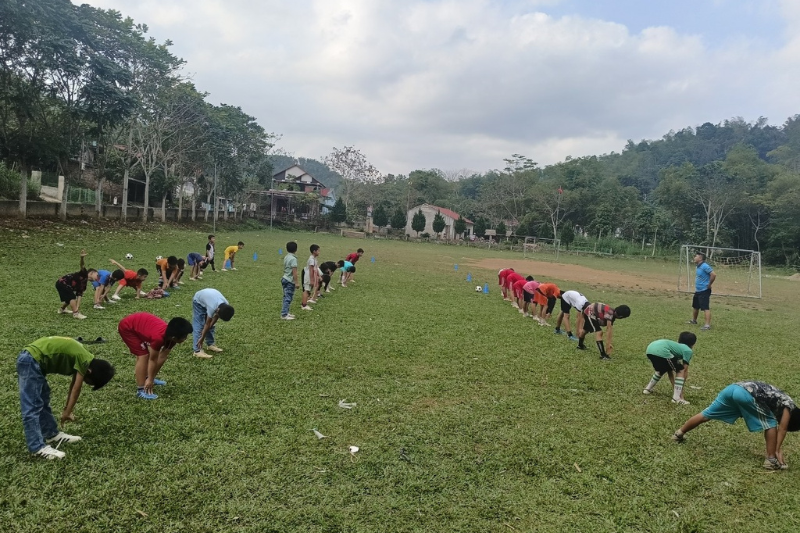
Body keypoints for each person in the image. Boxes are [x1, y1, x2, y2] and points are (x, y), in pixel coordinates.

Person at [16, 336, 115, 460]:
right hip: (30, 360)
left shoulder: (84, 357)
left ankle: (51, 434)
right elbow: (76, 388)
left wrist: (67, 410)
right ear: (89, 371)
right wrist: (67, 412)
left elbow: (73, 385)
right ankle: (37, 448)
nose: (84, 382)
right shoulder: (84, 360)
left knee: (43, 400)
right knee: (32, 406)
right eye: (88, 381)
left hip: (33, 361)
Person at [672, 381, 800, 470]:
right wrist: (777, 450)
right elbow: (782, 428)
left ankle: (679, 434)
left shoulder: (780, 401)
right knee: (770, 423)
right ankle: (771, 460)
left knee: (707, 414)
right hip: (746, 394)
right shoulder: (789, 405)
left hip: (732, 388)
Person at [118, 312, 193, 399]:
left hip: (141, 326)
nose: (185, 339)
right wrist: (149, 380)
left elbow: (162, 356)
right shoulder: (158, 338)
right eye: (184, 337)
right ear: (174, 337)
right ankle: (141, 390)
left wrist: (151, 378)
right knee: (143, 355)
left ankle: (147, 378)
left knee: (149, 357)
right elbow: (153, 359)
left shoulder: (171, 338)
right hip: (128, 327)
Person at [642, 332, 697, 405]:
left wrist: (676, 386)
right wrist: (680, 391)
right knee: (680, 370)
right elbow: (684, 370)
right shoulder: (688, 350)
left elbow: (669, 370)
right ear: (693, 344)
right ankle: (677, 399)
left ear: (678, 340)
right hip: (662, 351)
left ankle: (647, 389)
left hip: (650, 349)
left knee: (662, 370)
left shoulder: (675, 347)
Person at [192, 288, 235, 359]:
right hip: (198, 300)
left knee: (211, 325)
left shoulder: (226, 306)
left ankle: (210, 344)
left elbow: (214, 319)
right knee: (199, 324)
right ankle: (197, 351)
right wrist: (202, 338)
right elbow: (207, 324)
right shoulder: (212, 307)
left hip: (209, 297)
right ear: (217, 310)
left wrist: (209, 327)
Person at [55, 249, 98, 320]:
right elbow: (82, 265)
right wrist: (82, 258)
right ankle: (75, 314)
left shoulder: (84, 284)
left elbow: (79, 296)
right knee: (71, 297)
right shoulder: (84, 274)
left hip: (64, 285)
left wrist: (77, 307)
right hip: (62, 283)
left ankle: (62, 309)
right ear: (91, 273)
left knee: (70, 297)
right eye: (97, 275)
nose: (98, 278)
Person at [688, 252, 715, 330]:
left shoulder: (705, 266)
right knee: (695, 306)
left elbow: (713, 274)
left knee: (705, 308)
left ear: (700, 258)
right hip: (698, 290)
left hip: (704, 290)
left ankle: (707, 325)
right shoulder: (698, 266)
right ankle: (694, 320)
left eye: (696, 256)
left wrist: (709, 284)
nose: (694, 257)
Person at [281, 241, 299, 320]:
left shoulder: (286, 257)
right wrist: (296, 283)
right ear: (296, 249)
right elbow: (294, 272)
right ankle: (284, 314)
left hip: (284, 278)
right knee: (288, 297)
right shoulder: (293, 259)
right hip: (289, 281)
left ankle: (286, 312)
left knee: (286, 296)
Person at [301, 244, 321, 311]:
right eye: (318, 250)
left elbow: (316, 268)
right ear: (314, 251)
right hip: (308, 276)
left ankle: (305, 303)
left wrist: (318, 276)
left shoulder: (314, 259)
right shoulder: (311, 259)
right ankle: (304, 305)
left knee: (308, 290)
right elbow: (311, 270)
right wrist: (312, 280)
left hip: (311, 276)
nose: (319, 252)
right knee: (306, 290)